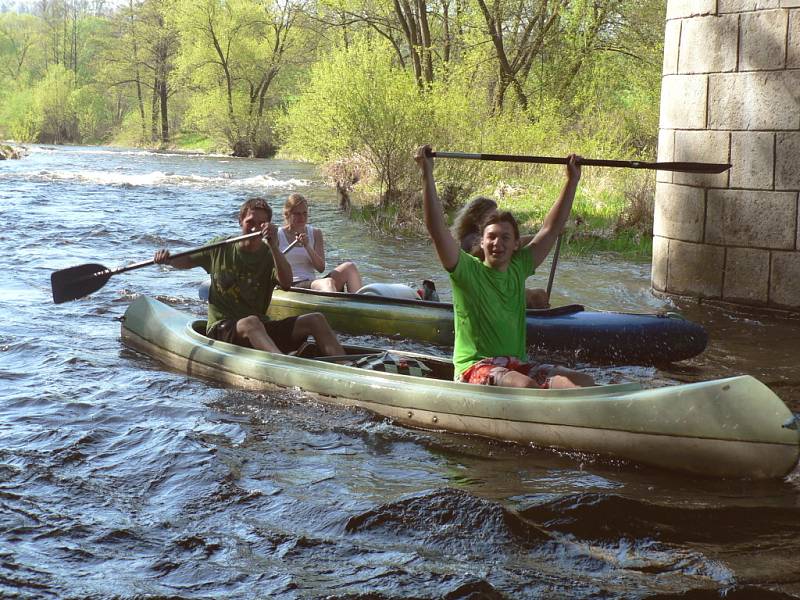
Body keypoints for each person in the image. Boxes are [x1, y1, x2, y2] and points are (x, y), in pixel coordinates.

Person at [415, 145, 594, 389]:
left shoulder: (519, 267)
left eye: (505, 238)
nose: (497, 243)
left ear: (516, 244)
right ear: (482, 242)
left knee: (582, 381)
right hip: (475, 368)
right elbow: (437, 229)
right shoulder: (466, 269)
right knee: (524, 385)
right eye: (492, 237)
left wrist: (571, 180)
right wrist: (427, 173)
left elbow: (550, 228)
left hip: (515, 365)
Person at [154, 197, 345, 356]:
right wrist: (168, 260)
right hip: (223, 329)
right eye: (250, 223)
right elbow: (187, 260)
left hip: (259, 328)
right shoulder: (220, 247)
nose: (254, 229)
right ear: (240, 221)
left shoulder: (270, 253)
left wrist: (273, 246)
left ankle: (345, 366)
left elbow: (286, 283)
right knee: (251, 322)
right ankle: (282, 365)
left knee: (316, 319)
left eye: (260, 225)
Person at [451, 196, 550, 309]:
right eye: (492, 214)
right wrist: (543, 236)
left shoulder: (477, 236)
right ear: (478, 216)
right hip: (484, 293)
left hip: (494, 286)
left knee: (540, 295)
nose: (496, 218)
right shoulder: (471, 239)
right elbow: (513, 244)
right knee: (537, 296)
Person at [278, 193, 364, 293]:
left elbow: (320, 268)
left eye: (304, 213)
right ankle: (333, 306)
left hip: (312, 283)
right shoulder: (278, 235)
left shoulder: (316, 233)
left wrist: (307, 246)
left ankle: (357, 305)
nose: (302, 217)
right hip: (292, 285)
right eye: (297, 214)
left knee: (350, 267)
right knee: (327, 283)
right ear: (288, 214)